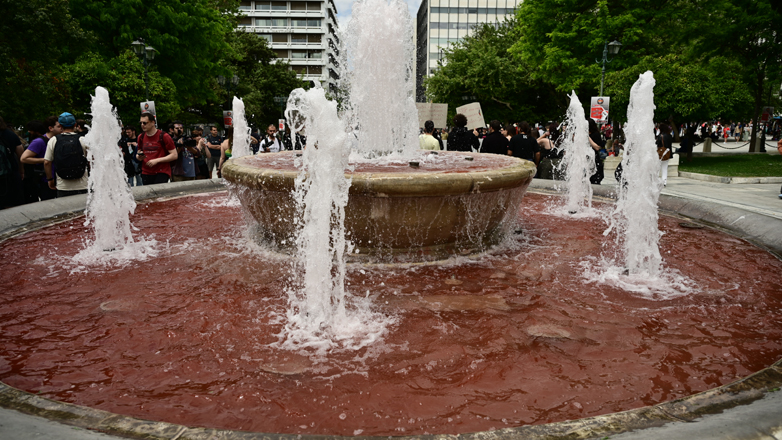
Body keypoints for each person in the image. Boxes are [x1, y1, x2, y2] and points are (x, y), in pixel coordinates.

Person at [44, 112, 89, 198]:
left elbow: (47, 162)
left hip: (63, 186)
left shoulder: (53, 140)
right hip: (82, 185)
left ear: (60, 126)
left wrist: (50, 179)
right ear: (75, 124)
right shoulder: (83, 140)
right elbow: (91, 161)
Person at [21, 117, 61, 201]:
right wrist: (46, 160)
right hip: (45, 180)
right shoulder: (39, 141)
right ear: (50, 128)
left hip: (59, 178)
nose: (62, 128)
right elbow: (24, 158)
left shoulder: (59, 139)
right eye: (58, 126)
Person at [136, 112, 177, 185]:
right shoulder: (141, 137)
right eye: (141, 123)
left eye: (145, 123)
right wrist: (138, 156)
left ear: (153, 122)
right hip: (146, 171)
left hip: (161, 171)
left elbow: (174, 155)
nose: (142, 125)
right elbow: (138, 152)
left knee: (159, 191)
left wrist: (157, 160)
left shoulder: (164, 136)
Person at [0, 116, 26, 208]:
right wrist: (21, 171)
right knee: (13, 203)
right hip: (10, 175)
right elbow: (20, 155)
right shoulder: (10, 134)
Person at [587, 118, 606, 184]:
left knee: (594, 180)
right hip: (586, 160)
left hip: (594, 160)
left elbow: (597, 147)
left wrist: (588, 138)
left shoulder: (596, 134)